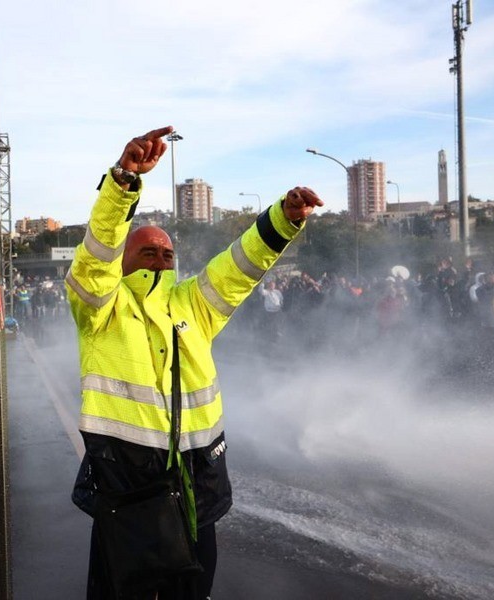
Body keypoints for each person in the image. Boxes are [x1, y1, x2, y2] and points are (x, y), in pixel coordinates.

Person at [66, 126, 323, 599]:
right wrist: (123, 182)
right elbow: (96, 254)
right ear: (122, 261)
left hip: (195, 490)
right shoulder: (100, 307)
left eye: (167, 253)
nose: (161, 259)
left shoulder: (191, 304)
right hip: (128, 495)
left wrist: (282, 221)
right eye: (148, 251)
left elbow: (237, 268)